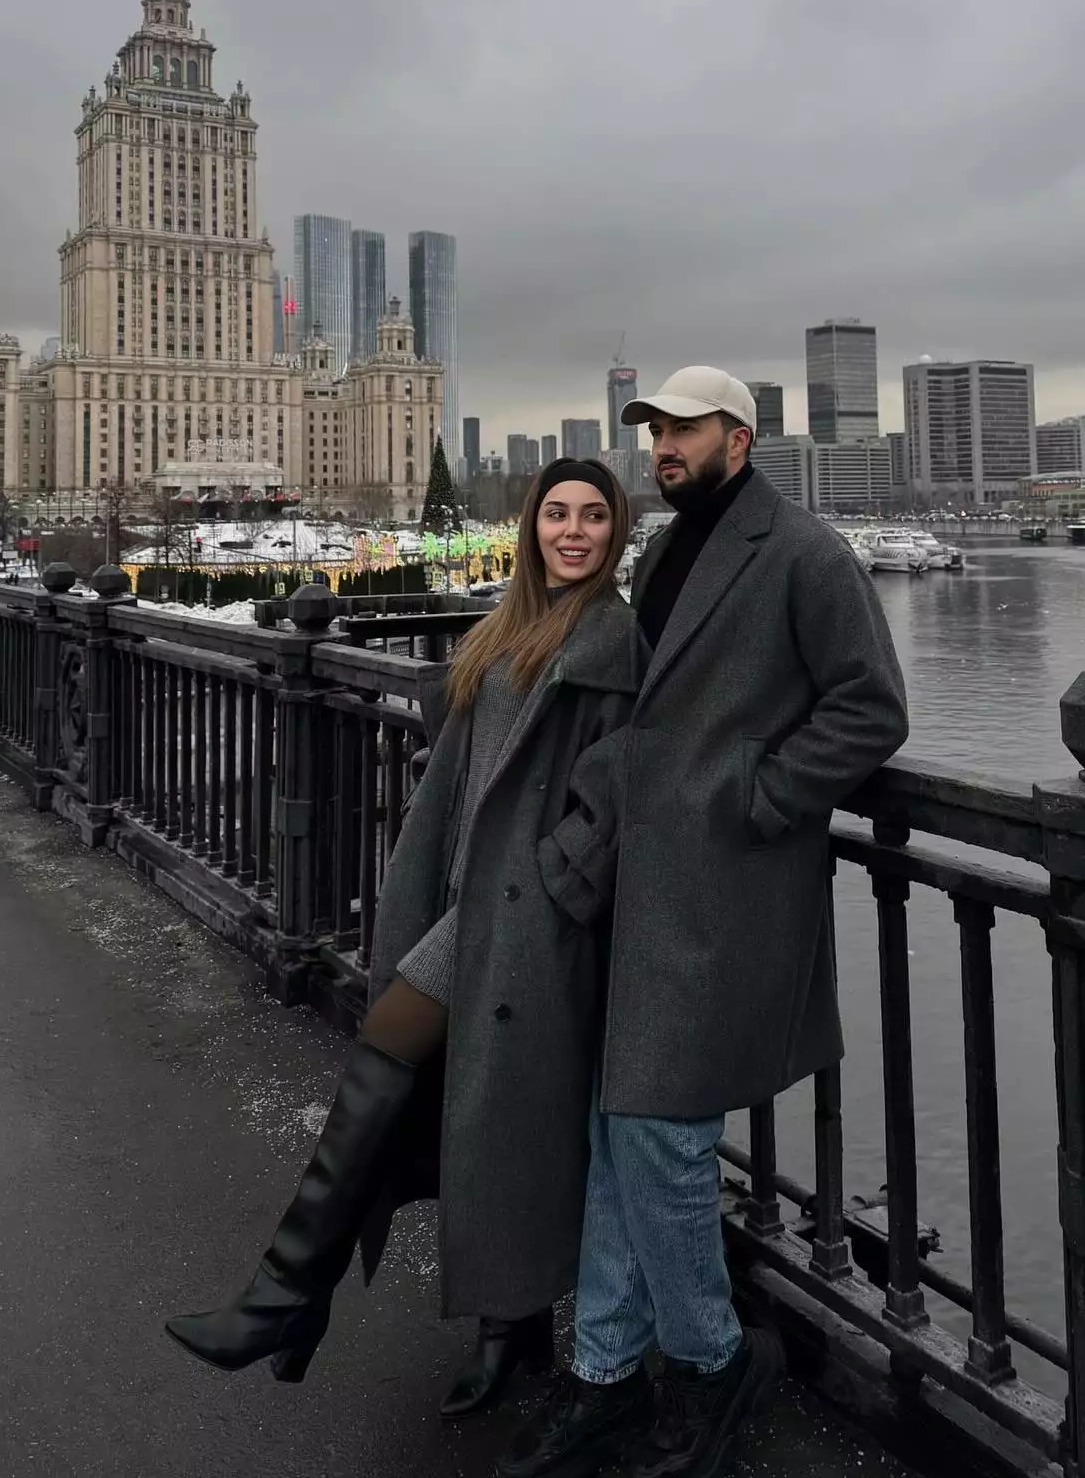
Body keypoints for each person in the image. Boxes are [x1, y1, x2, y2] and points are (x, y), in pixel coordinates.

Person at [166, 459, 646, 1417]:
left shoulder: (616, 642)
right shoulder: (509, 625)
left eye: (594, 516)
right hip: (470, 903)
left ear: (616, 532)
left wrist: (562, 877)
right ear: (531, 527)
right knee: (481, 1114)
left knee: (418, 1068)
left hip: (528, 922)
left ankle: (286, 1298)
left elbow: (625, 787)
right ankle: (500, 1330)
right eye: (556, 514)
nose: (573, 532)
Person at [499, 369, 909, 1478]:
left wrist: (761, 795)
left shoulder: (806, 554)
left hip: (728, 894)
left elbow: (872, 705)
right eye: (655, 431)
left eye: (684, 429)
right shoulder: (666, 550)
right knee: (617, 1131)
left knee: (658, 1133)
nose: (664, 447)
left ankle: (715, 1360)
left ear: (741, 436)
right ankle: (606, 1372)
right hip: (643, 891)